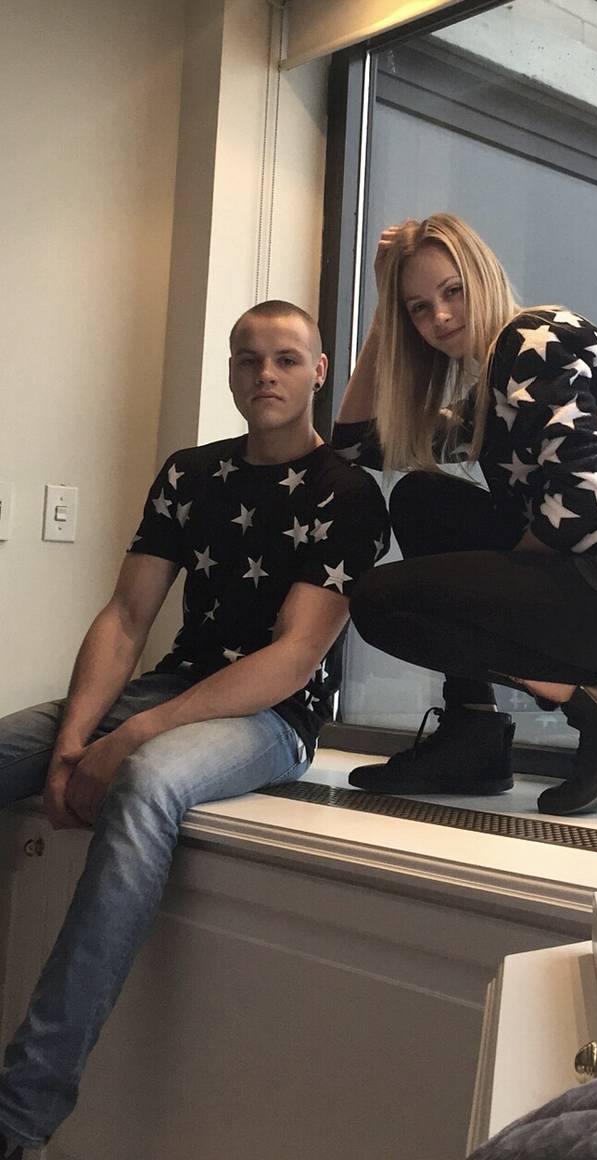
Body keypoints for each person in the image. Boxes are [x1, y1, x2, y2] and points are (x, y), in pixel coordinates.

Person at [0, 300, 389, 1157]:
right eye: (248, 359)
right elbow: (125, 617)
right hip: (172, 685)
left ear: (319, 372)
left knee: (146, 783)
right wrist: (72, 743)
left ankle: (20, 1114)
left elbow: (293, 658)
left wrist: (130, 739)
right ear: (230, 370)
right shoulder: (191, 473)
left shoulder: (348, 494)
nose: (266, 374)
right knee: (9, 747)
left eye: (286, 359)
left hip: (272, 717)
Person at [334, 214, 597, 817]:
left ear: (483, 277)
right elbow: (355, 444)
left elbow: (582, 503)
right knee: (423, 499)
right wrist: (384, 312)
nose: (440, 317)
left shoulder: (530, 340)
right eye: (419, 309)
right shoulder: (490, 389)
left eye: (453, 291)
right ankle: (472, 734)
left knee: (378, 601)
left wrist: (486, 590)